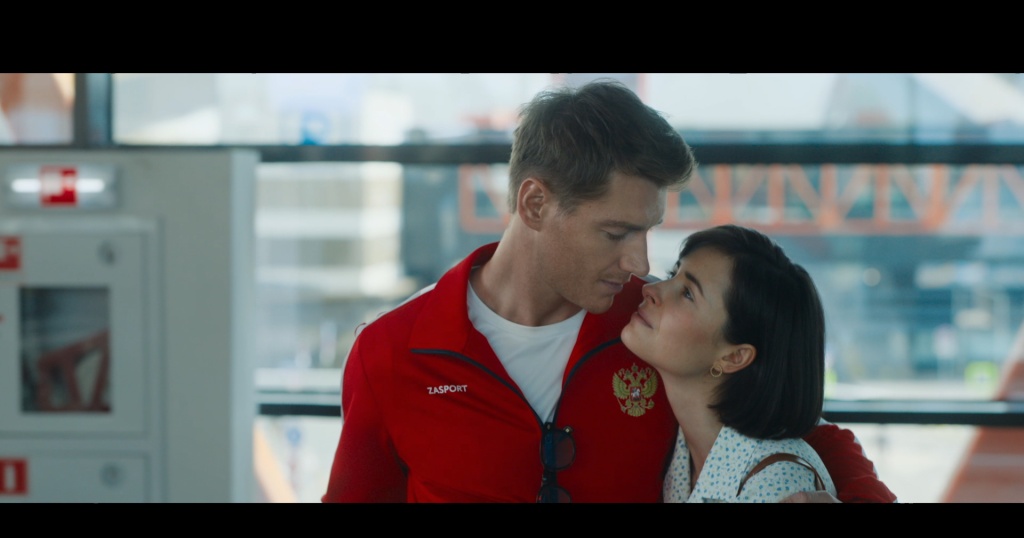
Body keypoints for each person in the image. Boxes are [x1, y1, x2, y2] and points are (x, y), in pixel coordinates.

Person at [322, 78, 896, 503]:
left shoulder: (657, 330)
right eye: (616, 233)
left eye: (647, 231)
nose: (640, 263)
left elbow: (798, 432)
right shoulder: (389, 354)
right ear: (535, 204)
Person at [622, 224, 841, 502]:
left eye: (688, 293)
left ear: (733, 357)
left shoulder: (777, 483)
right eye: (671, 274)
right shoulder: (685, 448)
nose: (650, 289)